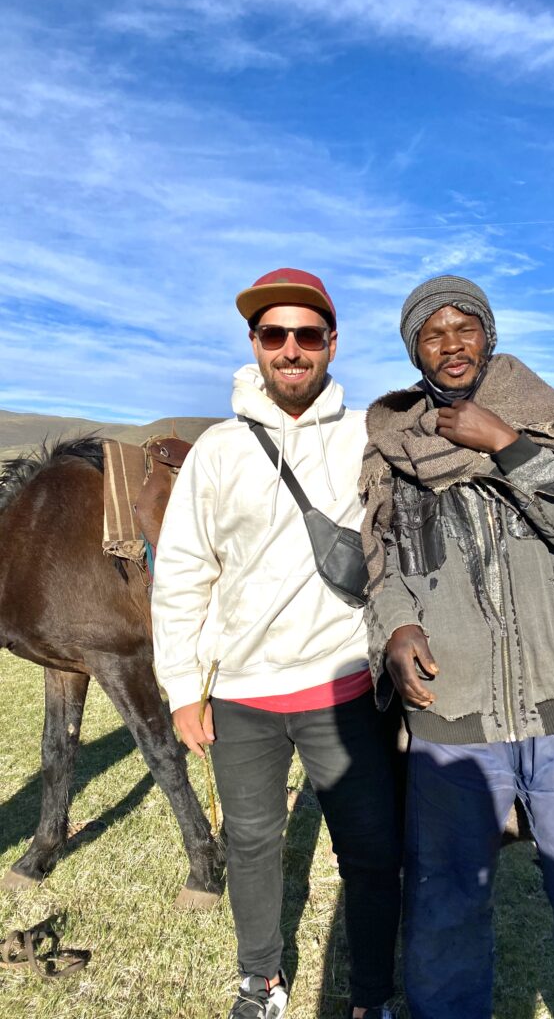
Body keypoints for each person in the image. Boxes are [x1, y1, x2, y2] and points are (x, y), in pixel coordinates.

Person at [359, 275, 554, 1019]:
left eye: (463, 327)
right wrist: (399, 625)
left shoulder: (541, 417)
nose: (450, 344)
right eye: (431, 334)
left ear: (487, 336)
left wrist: (505, 444)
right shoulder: (396, 443)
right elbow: (383, 562)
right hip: (452, 719)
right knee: (444, 902)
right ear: (416, 351)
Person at [152, 268, 401, 1019]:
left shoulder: (366, 439)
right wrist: (181, 690)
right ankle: (260, 981)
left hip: (345, 688)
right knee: (255, 849)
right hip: (243, 698)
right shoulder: (219, 452)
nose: (291, 349)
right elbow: (184, 575)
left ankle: (371, 996)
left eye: (307, 334)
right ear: (255, 345)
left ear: (331, 344)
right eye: (274, 334)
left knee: (369, 853)